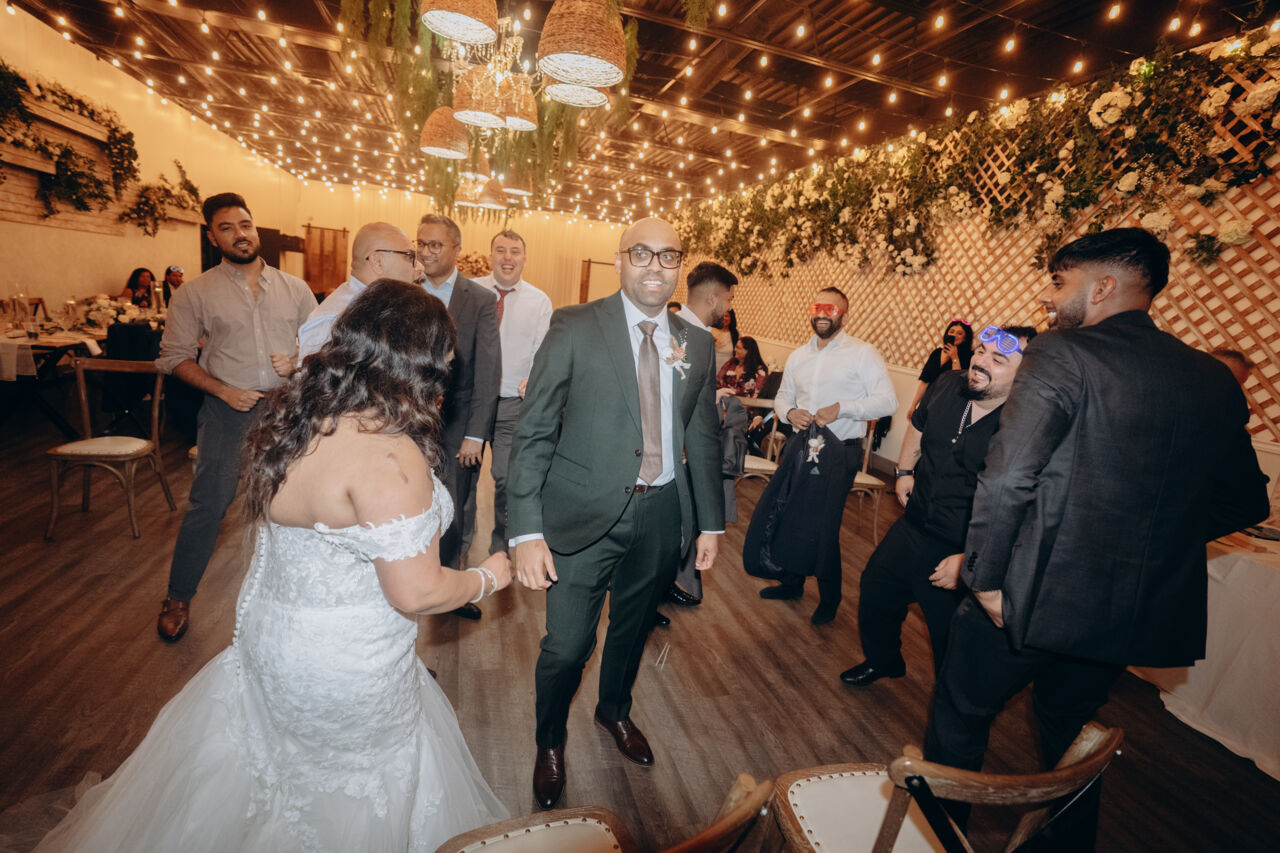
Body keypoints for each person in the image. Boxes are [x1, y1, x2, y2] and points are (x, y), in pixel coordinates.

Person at [36, 282, 511, 852]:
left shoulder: (298, 421)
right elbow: (416, 592)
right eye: (445, 360)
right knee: (347, 797)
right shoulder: (389, 456)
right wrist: (489, 575)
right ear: (419, 363)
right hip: (342, 665)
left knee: (269, 775)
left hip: (269, 642)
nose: (449, 371)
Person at [925, 228, 1269, 848]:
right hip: (1121, 613)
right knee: (1069, 731)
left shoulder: (1061, 352)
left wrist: (988, 581)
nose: (1050, 297)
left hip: (1026, 595)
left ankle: (937, 840)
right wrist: (1145, 540)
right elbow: (1245, 500)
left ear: (1104, 286)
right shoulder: (1213, 379)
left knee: (960, 718)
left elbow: (1008, 478)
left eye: (1061, 282)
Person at [507, 217, 724, 810]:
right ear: (620, 259)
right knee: (566, 647)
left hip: (662, 515)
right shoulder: (575, 325)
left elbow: (702, 437)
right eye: (641, 253)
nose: (655, 266)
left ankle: (614, 711)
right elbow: (535, 432)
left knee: (632, 631)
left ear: (680, 264)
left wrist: (710, 522)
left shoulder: (697, 343)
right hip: (579, 516)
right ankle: (550, 741)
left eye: (668, 255)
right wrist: (525, 530)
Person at [154, 193, 315, 642]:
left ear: (254, 228)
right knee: (209, 503)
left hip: (288, 410)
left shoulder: (296, 288)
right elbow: (174, 357)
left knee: (299, 504)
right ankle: (178, 596)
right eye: (226, 228)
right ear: (212, 237)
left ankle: (300, 602)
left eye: (245, 224)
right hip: (227, 410)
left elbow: (323, 346)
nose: (239, 234)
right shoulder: (195, 293)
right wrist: (223, 390)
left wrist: (298, 362)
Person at [840, 324, 1036, 688]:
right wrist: (903, 471)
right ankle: (884, 660)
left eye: (998, 359)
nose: (980, 362)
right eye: (981, 351)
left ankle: (951, 707)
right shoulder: (948, 384)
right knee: (877, 591)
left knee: (953, 639)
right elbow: (918, 423)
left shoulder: (1028, 425)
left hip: (962, 545)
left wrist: (968, 559)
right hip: (914, 523)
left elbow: (1026, 510)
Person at [754, 287, 898, 624]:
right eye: (818, 307)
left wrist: (842, 409)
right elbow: (783, 397)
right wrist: (790, 413)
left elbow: (887, 402)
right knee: (791, 512)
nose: (823, 314)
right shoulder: (797, 356)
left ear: (844, 316)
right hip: (801, 447)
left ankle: (830, 598)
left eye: (832, 309)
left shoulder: (862, 354)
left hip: (840, 453)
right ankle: (792, 582)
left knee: (823, 523)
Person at [416, 214, 502, 621]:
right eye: (421, 244)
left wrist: (476, 434)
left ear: (456, 249)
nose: (426, 252)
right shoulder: (405, 290)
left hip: (456, 422)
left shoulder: (480, 299)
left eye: (435, 245)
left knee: (452, 506)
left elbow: (488, 372)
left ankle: (449, 590)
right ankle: (405, 580)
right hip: (405, 419)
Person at [472, 229, 552, 557]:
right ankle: (459, 546)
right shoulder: (472, 291)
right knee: (463, 481)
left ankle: (500, 547)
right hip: (471, 402)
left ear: (525, 258)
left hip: (512, 405)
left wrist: (534, 377)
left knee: (506, 478)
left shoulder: (539, 301)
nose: (508, 258)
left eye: (515, 251)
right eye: (501, 250)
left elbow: (543, 351)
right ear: (490, 256)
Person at [667, 260, 737, 608]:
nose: (729, 307)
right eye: (728, 298)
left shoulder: (702, 340)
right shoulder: (675, 333)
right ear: (712, 298)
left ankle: (661, 591)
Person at [297, 221, 424, 359]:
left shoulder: (383, 306)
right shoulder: (334, 322)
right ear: (378, 262)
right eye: (409, 256)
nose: (420, 267)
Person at [906, 319, 973, 417]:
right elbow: (925, 381)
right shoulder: (936, 353)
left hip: (947, 403)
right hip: (927, 400)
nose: (954, 335)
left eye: (959, 333)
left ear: (965, 338)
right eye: (951, 331)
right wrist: (913, 405)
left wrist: (955, 358)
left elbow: (958, 382)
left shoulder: (969, 357)